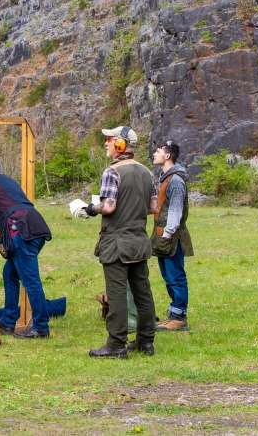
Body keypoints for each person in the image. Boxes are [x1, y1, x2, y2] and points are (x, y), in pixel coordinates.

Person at [79, 126, 157, 358]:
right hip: (139, 242)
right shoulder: (146, 172)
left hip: (117, 244)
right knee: (143, 293)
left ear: (121, 144)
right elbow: (153, 208)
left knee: (116, 294)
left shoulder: (112, 172)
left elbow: (109, 206)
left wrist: (90, 209)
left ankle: (116, 345)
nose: (106, 143)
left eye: (110, 140)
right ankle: (146, 341)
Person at [0, 156, 53, 339]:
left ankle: (41, 327)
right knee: (10, 273)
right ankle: (8, 321)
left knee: (30, 280)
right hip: (35, 225)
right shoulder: (8, 181)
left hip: (20, 230)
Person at [151, 140, 193, 332]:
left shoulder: (175, 179)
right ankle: (173, 313)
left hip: (171, 237)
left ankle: (179, 317)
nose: (155, 153)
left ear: (167, 156)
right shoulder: (164, 177)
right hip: (163, 235)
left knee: (175, 275)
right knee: (168, 275)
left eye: (158, 151)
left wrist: (168, 233)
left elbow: (175, 210)